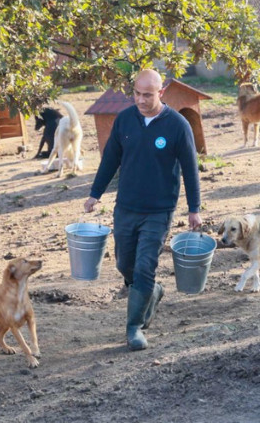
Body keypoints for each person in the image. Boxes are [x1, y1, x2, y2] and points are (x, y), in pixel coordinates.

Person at [83, 69, 201, 351]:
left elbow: (190, 168)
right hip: (125, 207)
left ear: (161, 93)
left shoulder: (177, 125)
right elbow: (110, 159)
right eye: (136, 93)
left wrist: (194, 208)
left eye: (147, 95)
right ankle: (153, 292)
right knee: (126, 264)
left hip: (159, 210)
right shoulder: (125, 120)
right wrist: (95, 194)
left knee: (146, 265)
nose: (140, 100)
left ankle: (134, 327)